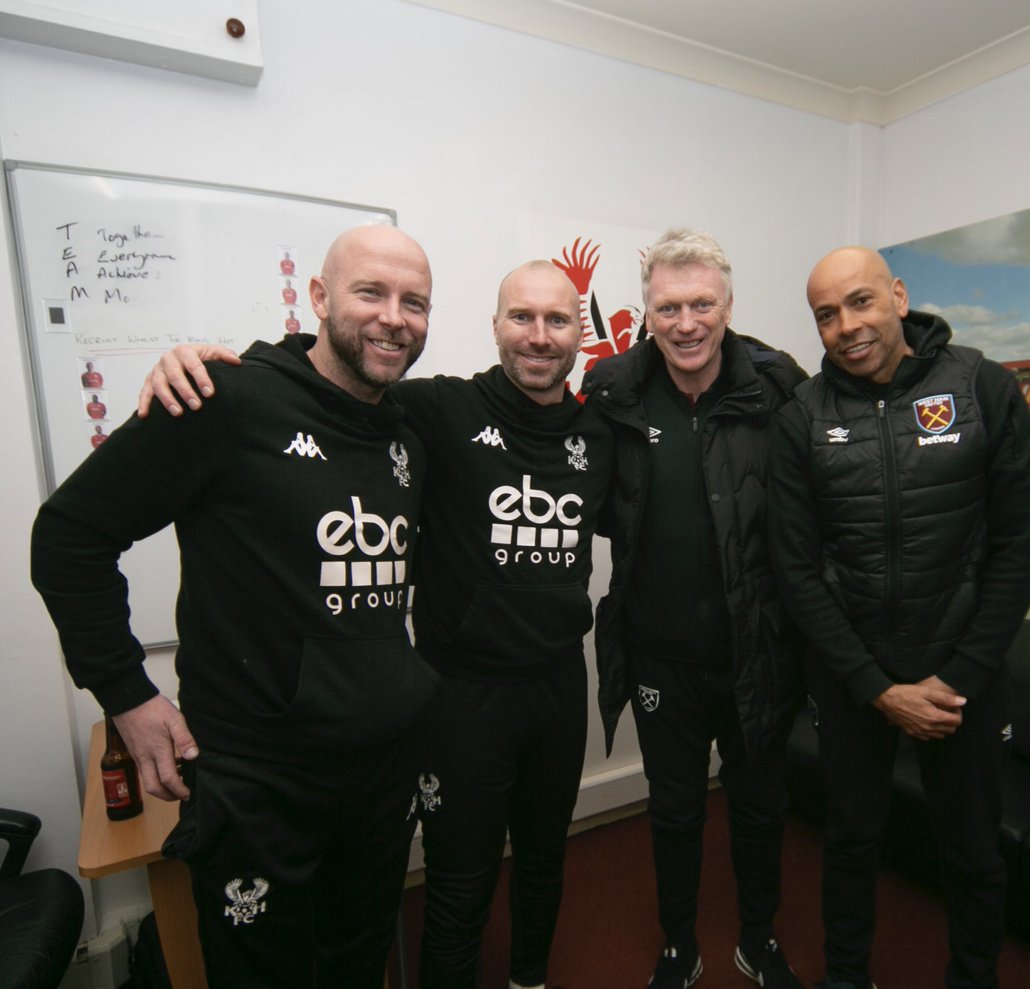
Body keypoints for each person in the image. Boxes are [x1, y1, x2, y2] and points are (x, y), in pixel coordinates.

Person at [138, 259, 611, 989]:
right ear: (495, 326)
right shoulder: (433, 409)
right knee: (459, 883)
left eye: (557, 320)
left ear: (579, 332)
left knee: (548, 858)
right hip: (460, 693)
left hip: (556, 684)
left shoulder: (599, 434)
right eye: (522, 317)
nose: (539, 336)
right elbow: (331, 380)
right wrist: (201, 362)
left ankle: (528, 980)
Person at [31, 225, 439, 988]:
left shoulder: (409, 431)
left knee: (357, 964)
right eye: (370, 292)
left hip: (378, 778)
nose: (393, 316)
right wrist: (126, 694)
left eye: (413, 301)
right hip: (261, 785)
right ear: (318, 298)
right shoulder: (222, 398)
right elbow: (68, 536)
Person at [768, 247, 1030, 989]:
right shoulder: (802, 416)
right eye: (826, 314)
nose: (845, 326)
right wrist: (874, 686)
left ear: (897, 295)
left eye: (859, 302)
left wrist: (955, 678)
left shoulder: (984, 387)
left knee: (973, 850)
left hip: (962, 678)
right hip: (853, 679)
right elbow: (796, 570)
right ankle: (847, 976)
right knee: (851, 842)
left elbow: (1021, 547)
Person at [581, 228, 807, 989]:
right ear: (646, 311)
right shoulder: (611, 387)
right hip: (658, 657)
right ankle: (678, 942)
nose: (686, 322)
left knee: (757, 808)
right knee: (674, 811)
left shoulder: (778, 385)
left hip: (758, 652)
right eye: (669, 305)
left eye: (701, 303)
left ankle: (758, 936)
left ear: (729, 305)